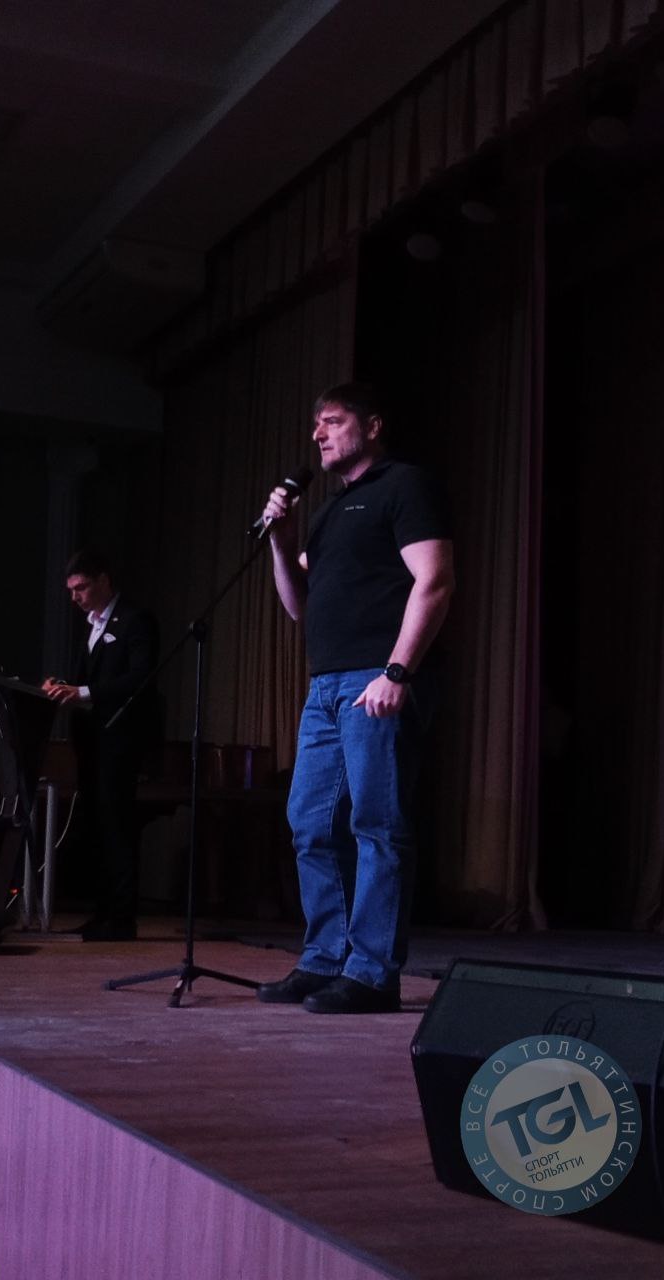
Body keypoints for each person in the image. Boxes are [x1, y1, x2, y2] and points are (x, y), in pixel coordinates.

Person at [256, 384, 454, 1012]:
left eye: (333, 421)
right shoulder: (328, 510)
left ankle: (371, 974)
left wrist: (397, 672)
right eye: (315, 424)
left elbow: (435, 579)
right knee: (310, 824)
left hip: (377, 678)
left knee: (376, 824)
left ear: (371, 426)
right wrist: (281, 539)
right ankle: (324, 961)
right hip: (325, 687)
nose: (318, 434)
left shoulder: (403, 485)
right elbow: (298, 605)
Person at [43, 547, 159, 941]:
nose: (75, 597)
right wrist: (61, 686)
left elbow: (141, 677)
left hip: (119, 741)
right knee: (96, 827)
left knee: (117, 827)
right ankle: (102, 912)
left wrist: (83, 692)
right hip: (91, 742)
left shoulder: (135, 620)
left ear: (104, 580)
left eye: (81, 588)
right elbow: (85, 677)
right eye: (71, 590)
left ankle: (122, 917)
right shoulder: (92, 625)